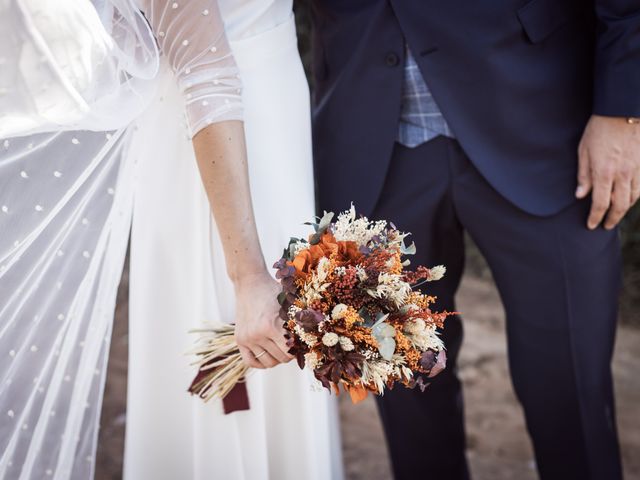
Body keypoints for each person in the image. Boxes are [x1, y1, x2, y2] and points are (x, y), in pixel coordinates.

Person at [0, 1, 342, 479]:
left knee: (288, 347)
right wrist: (247, 277)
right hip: (218, 153)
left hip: (274, 125)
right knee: (244, 333)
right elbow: (206, 75)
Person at [310, 1, 640, 479]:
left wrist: (624, 109)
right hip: (368, 133)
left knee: (571, 393)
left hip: (541, 116)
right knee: (409, 398)